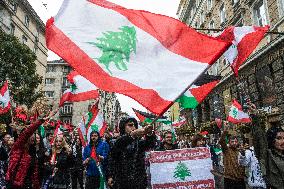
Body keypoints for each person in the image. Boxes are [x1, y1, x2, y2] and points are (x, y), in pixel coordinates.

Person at [107, 117, 156, 189]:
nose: (133, 127)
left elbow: (150, 144)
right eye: (130, 125)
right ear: (123, 127)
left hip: (139, 182)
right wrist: (110, 176)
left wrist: (149, 133)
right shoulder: (115, 142)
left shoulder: (139, 142)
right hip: (121, 182)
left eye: (134, 126)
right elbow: (111, 160)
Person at [5, 114, 50, 189]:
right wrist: (40, 121)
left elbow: (34, 172)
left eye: (34, 135)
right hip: (15, 184)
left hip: (28, 184)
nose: (33, 137)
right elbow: (27, 133)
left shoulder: (32, 150)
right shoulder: (18, 147)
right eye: (31, 135)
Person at [249, 103, 284, 189]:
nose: (283, 141)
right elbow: (259, 137)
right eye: (279, 138)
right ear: (272, 140)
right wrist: (254, 115)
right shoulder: (267, 155)